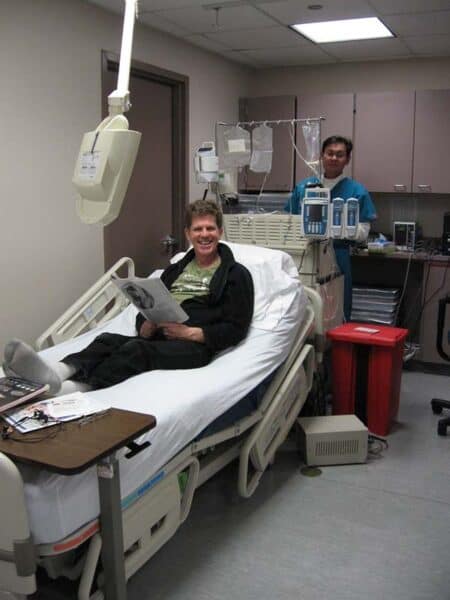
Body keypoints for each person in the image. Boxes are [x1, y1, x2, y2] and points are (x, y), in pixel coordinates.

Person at [3, 199, 254, 394]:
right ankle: (56, 372)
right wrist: (145, 325)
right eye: (198, 229)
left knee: (137, 350)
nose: (204, 234)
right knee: (107, 340)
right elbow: (148, 305)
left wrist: (191, 333)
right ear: (188, 233)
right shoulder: (176, 269)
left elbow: (236, 327)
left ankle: (73, 389)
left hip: (193, 348)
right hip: (160, 336)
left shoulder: (235, 274)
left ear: (220, 232)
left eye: (210, 228)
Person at [286, 135, 377, 321]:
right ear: (322, 156)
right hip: (305, 256)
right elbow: (290, 223)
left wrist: (339, 229)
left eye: (340, 154)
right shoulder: (304, 188)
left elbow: (363, 233)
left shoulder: (357, 191)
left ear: (347, 159)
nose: (334, 158)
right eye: (330, 153)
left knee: (336, 313)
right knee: (305, 310)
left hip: (338, 257)